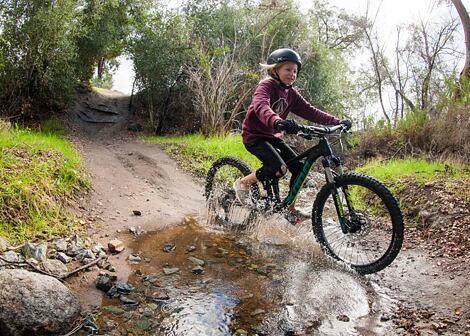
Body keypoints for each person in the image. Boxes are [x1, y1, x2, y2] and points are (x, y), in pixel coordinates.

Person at [233, 48, 352, 224]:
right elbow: (261, 106)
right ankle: (243, 183)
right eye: (288, 69)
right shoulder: (266, 86)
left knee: (299, 169)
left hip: (273, 136)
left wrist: (337, 121)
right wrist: (276, 121)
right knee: (278, 168)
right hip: (255, 136)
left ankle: (290, 209)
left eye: (295, 71)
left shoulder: (291, 93)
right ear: (275, 70)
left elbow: (311, 111)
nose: (292, 74)